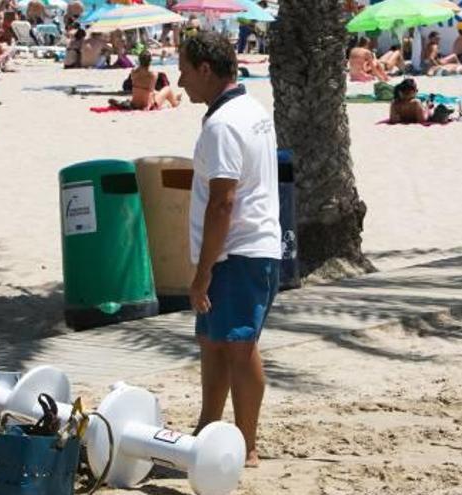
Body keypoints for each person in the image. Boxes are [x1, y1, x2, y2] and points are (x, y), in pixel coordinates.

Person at [177, 31, 281, 468]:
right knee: (213, 341)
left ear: (205, 69)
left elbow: (223, 202)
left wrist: (203, 272)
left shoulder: (223, 124)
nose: (180, 81)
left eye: (184, 70)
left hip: (239, 250)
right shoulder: (249, 108)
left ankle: (247, 442)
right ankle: (208, 428)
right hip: (248, 246)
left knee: (238, 345)